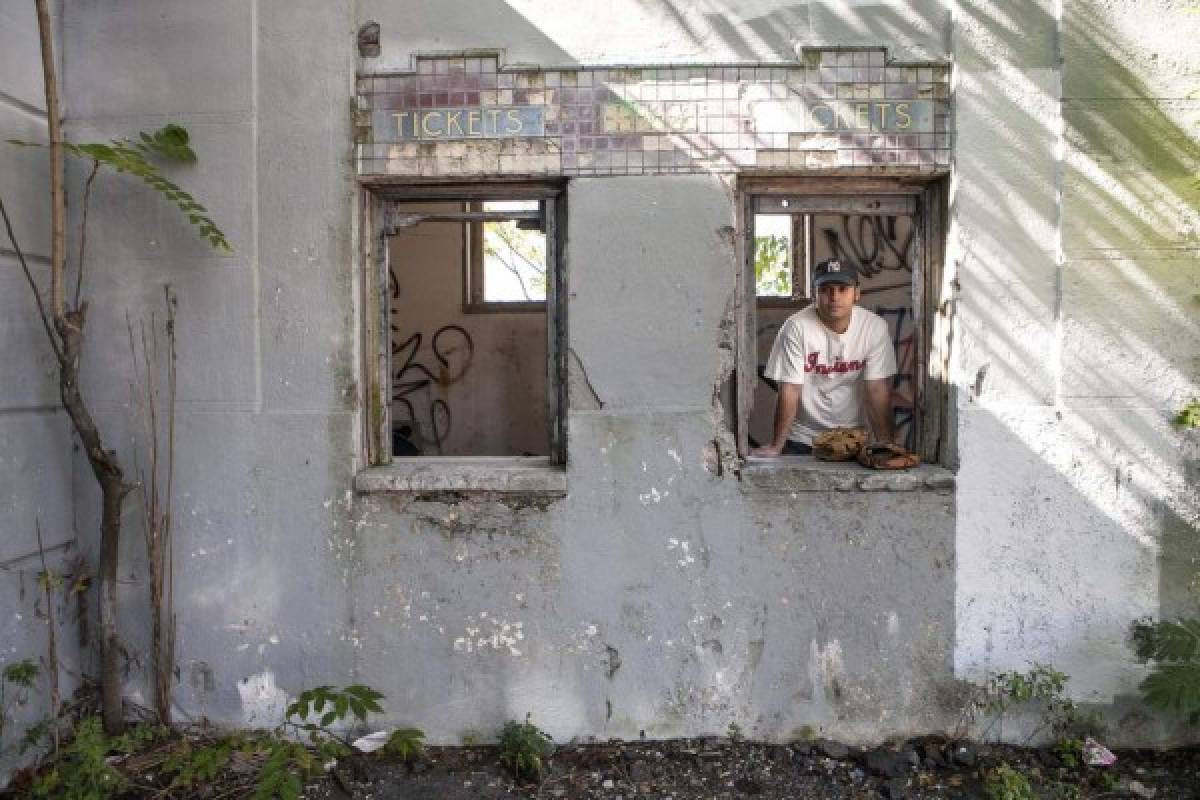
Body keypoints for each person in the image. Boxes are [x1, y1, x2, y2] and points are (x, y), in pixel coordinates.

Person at [750, 257, 897, 457]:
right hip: (803, 439)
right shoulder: (796, 327)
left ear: (857, 293)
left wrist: (886, 444)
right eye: (825, 289)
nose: (834, 296)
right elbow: (790, 389)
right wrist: (777, 446)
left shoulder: (874, 328)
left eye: (842, 288)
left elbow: (877, 389)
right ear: (815, 294)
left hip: (853, 439)